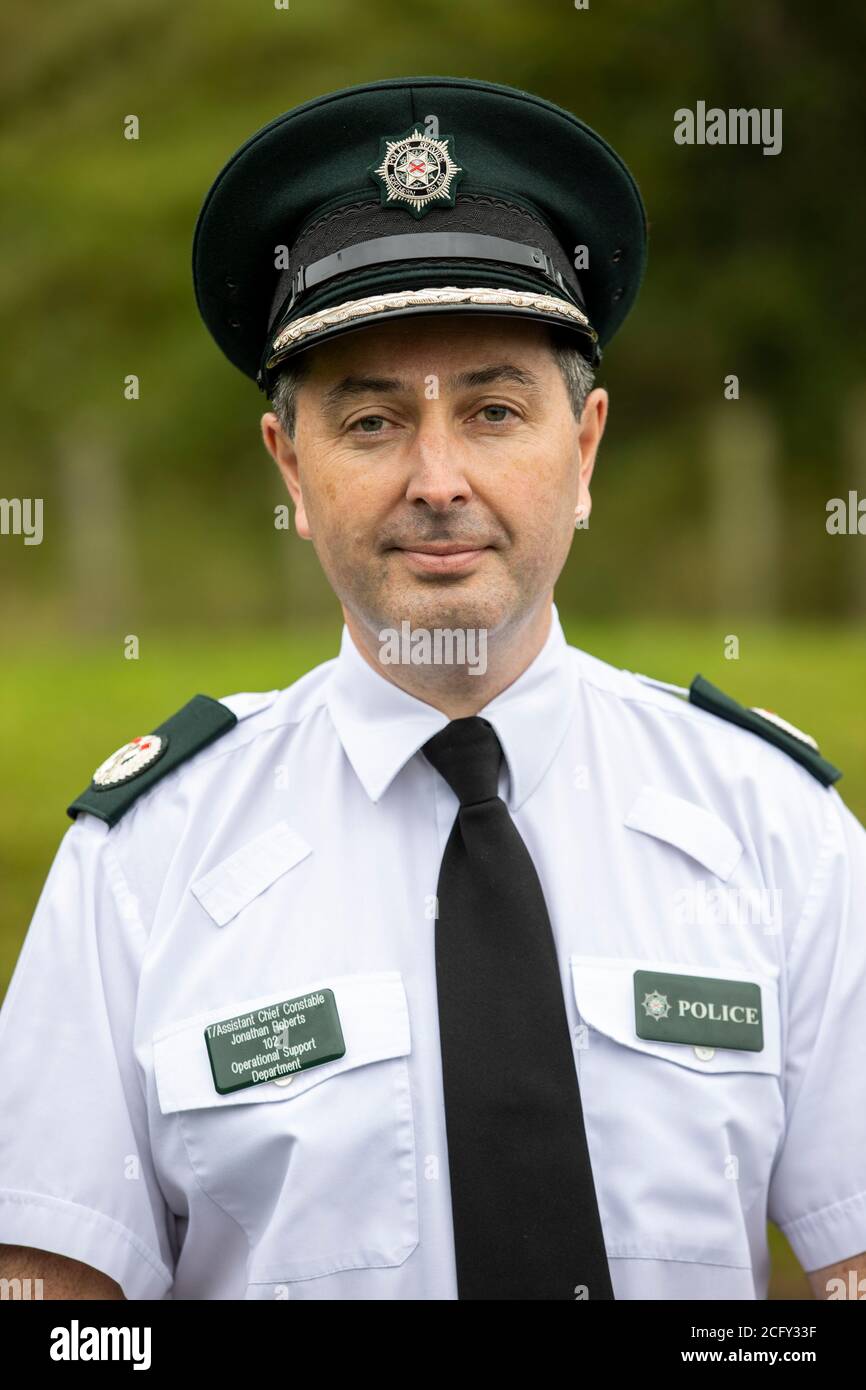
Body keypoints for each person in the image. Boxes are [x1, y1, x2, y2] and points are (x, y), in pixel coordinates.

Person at [1, 75, 865, 1302]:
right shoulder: (140, 870)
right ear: (286, 467)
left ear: (585, 449)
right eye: (367, 424)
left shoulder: (774, 828)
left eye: (495, 408)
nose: (439, 477)